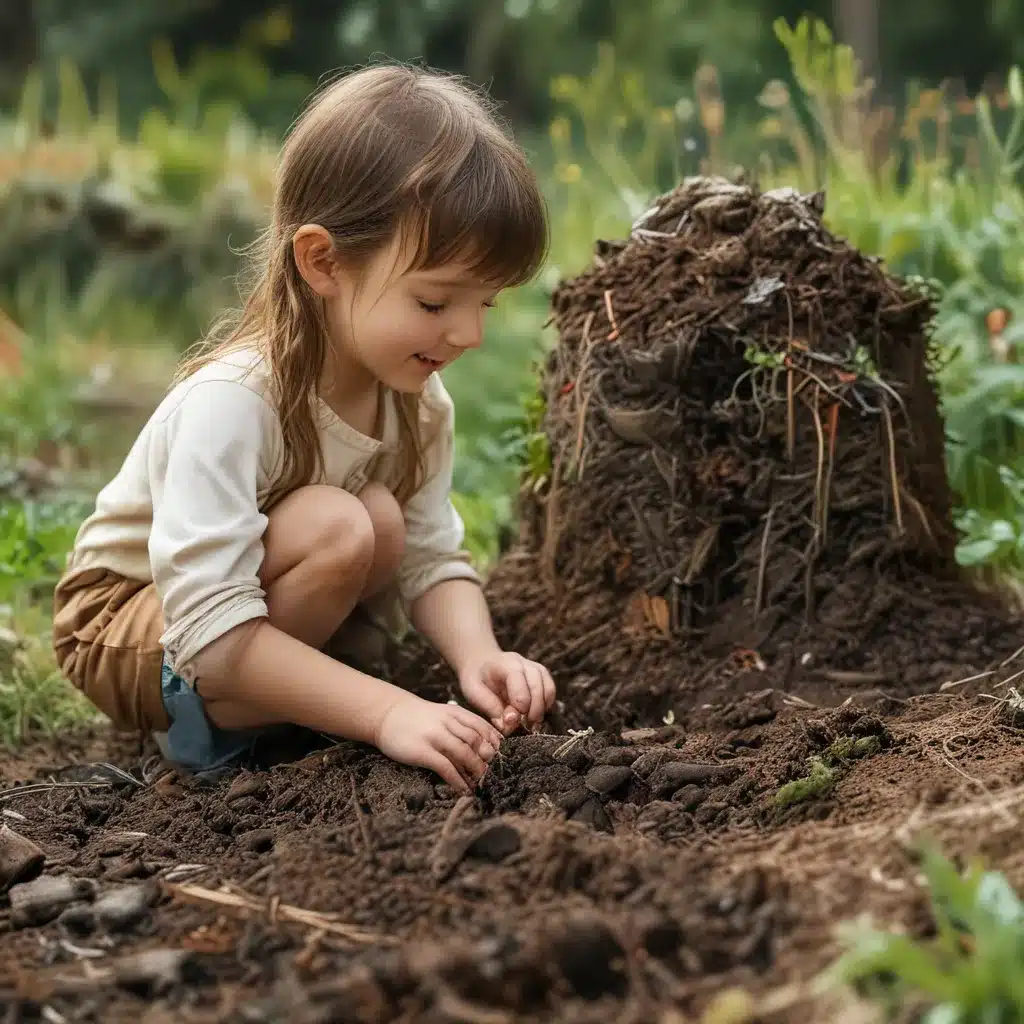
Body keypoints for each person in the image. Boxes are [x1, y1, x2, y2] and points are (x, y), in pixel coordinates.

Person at [52, 63, 556, 794]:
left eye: (487, 305)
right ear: (325, 262)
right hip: (129, 618)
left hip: (239, 602)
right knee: (340, 526)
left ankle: (293, 696)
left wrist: (480, 656)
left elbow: (428, 556)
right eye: (437, 301)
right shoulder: (235, 402)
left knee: (378, 519)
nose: (470, 333)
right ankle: (218, 731)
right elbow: (212, 632)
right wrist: (388, 712)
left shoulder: (418, 402)